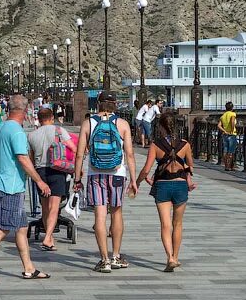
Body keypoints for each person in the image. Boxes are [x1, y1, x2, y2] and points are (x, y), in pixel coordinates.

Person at [0, 95, 51, 283]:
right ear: (24, 111)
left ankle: (29, 268)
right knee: (3, 228)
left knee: (21, 227)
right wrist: (39, 181)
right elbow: (23, 159)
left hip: (0, 183)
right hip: (11, 187)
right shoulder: (16, 132)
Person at [73, 92, 137, 273]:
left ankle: (104, 259)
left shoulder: (88, 123)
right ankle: (116, 256)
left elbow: (79, 154)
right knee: (116, 212)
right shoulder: (122, 124)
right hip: (118, 173)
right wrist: (133, 179)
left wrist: (77, 178)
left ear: (99, 104)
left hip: (96, 174)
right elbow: (130, 154)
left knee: (100, 216)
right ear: (115, 104)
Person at [136, 112, 196, 272]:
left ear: (161, 127)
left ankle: (169, 257)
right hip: (180, 186)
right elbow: (190, 166)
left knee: (165, 224)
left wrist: (137, 183)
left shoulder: (156, 145)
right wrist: (188, 177)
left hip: (162, 185)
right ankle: (175, 257)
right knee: (178, 224)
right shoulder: (185, 144)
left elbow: (146, 170)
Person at [27, 106, 73, 252]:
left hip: (40, 172)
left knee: (45, 207)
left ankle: (49, 238)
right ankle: (48, 237)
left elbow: (31, 158)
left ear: (39, 120)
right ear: (52, 118)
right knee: (54, 207)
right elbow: (73, 147)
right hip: (57, 170)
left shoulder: (32, 135)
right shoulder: (59, 131)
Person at [218, 101, 238, 171]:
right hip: (232, 135)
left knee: (225, 150)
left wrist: (224, 130)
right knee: (231, 151)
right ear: (232, 107)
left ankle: (226, 166)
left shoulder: (223, 115)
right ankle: (230, 166)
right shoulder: (233, 114)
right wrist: (232, 130)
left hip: (225, 135)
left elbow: (219, 125)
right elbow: (232, 121)